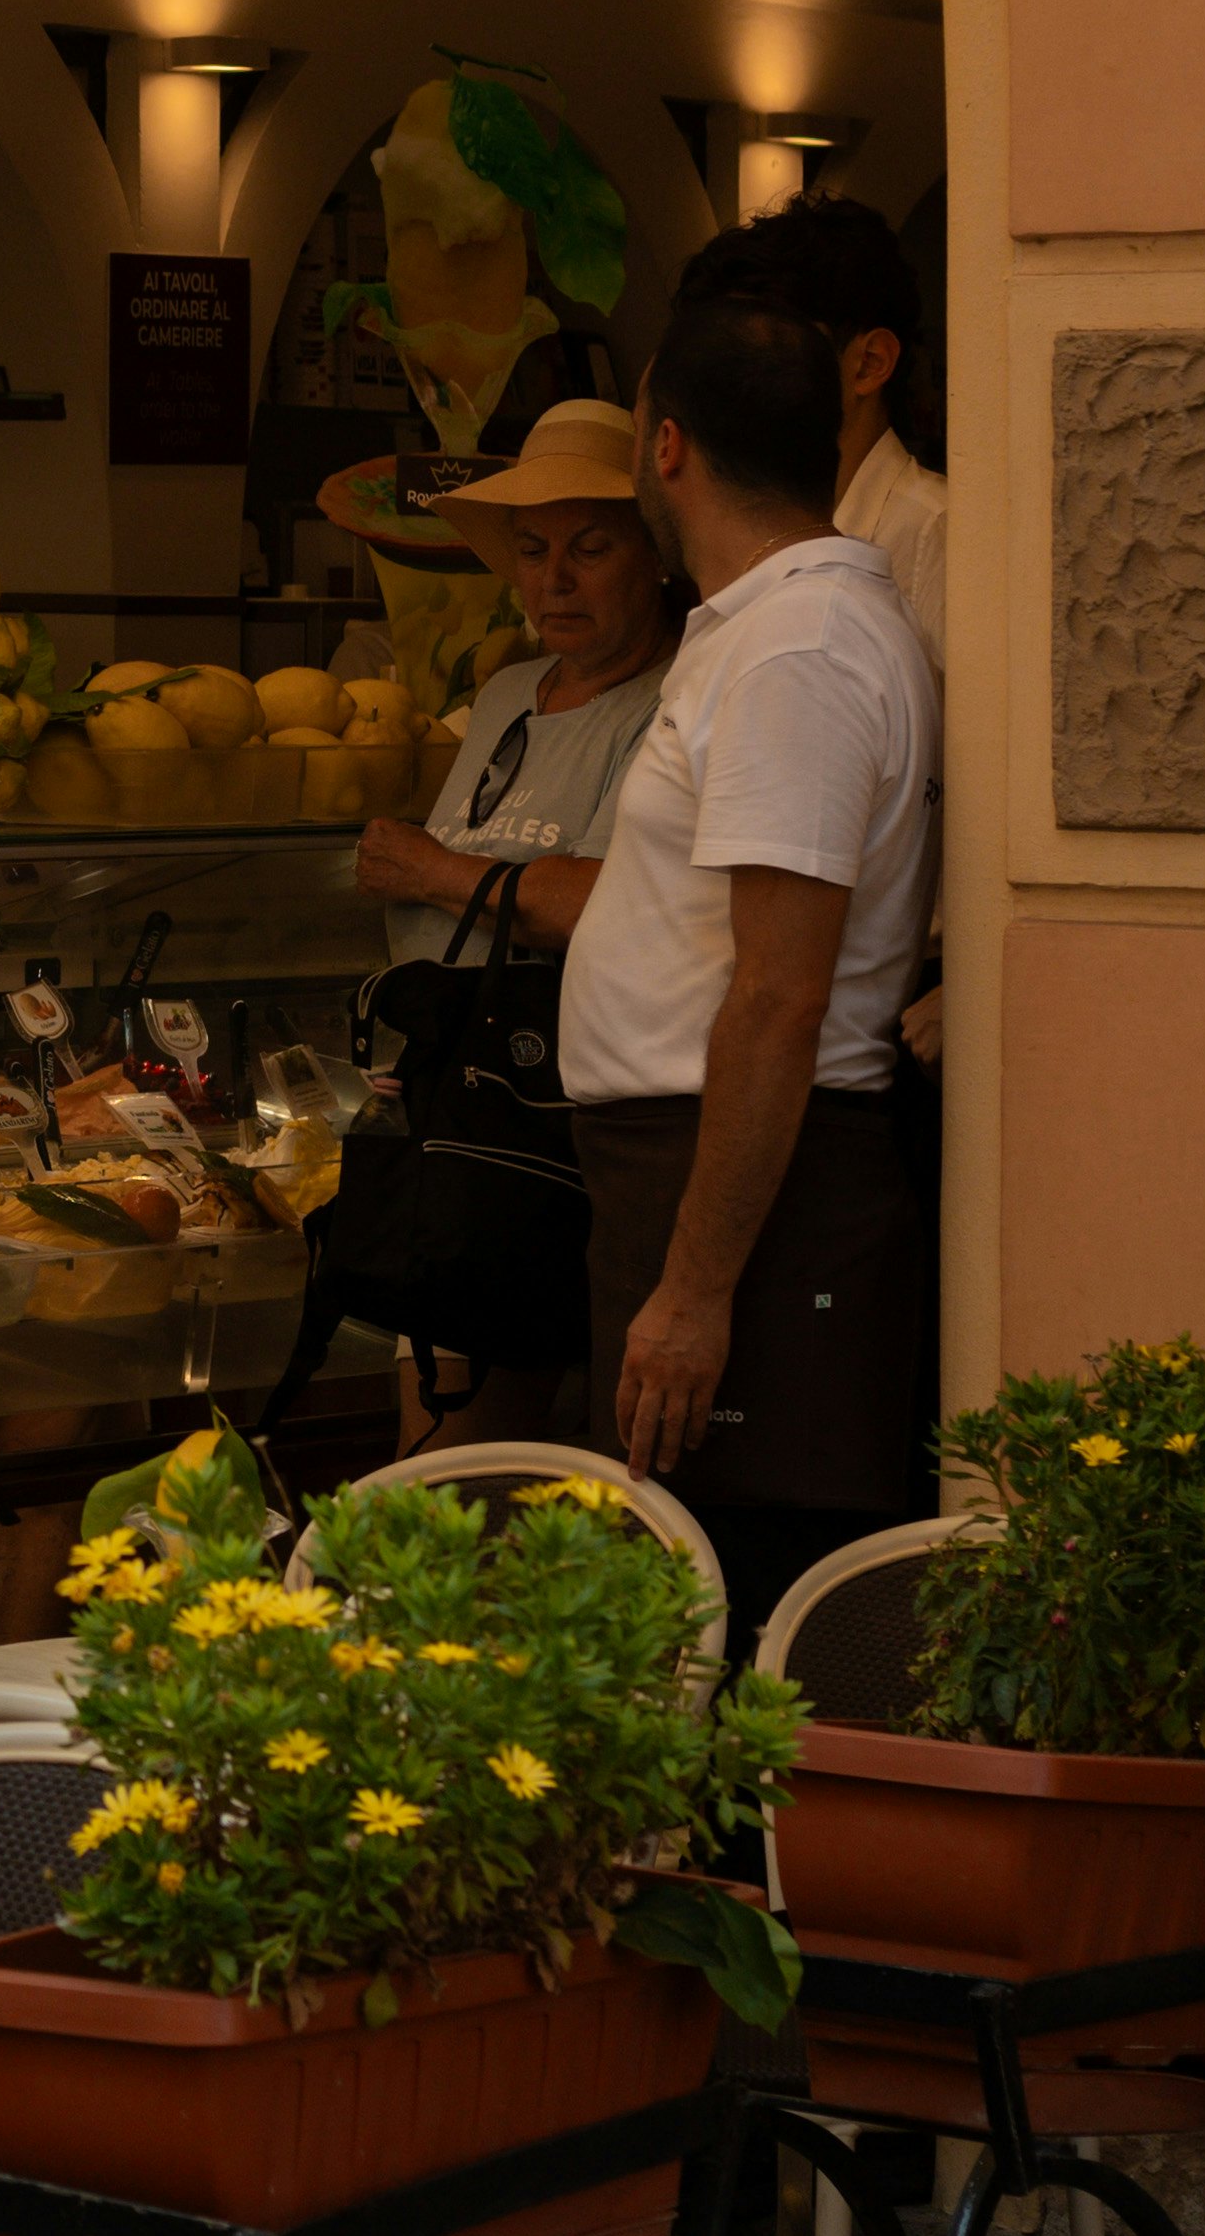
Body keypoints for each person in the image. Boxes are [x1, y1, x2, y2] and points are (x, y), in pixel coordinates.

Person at [561, 294, 942, 1657]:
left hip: (756, 1193)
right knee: (684, 1616)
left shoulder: (800, 648)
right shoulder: (764, 627)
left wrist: (698, 1285)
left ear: (668, 450)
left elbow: (782, 995)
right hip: (702, 1171)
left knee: (742, 1630)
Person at [356, 398, 681, 964]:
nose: (556, 579)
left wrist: (428, 870)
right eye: (533, 550)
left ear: (655, 554)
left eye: (590, 548)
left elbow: (591, 906)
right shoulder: (506, 692)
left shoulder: (675, 701)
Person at [674, 192, 947, 670]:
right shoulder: (743, 525)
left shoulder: (937, 534)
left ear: (870, 363)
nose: (734, 382)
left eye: (770, 351)